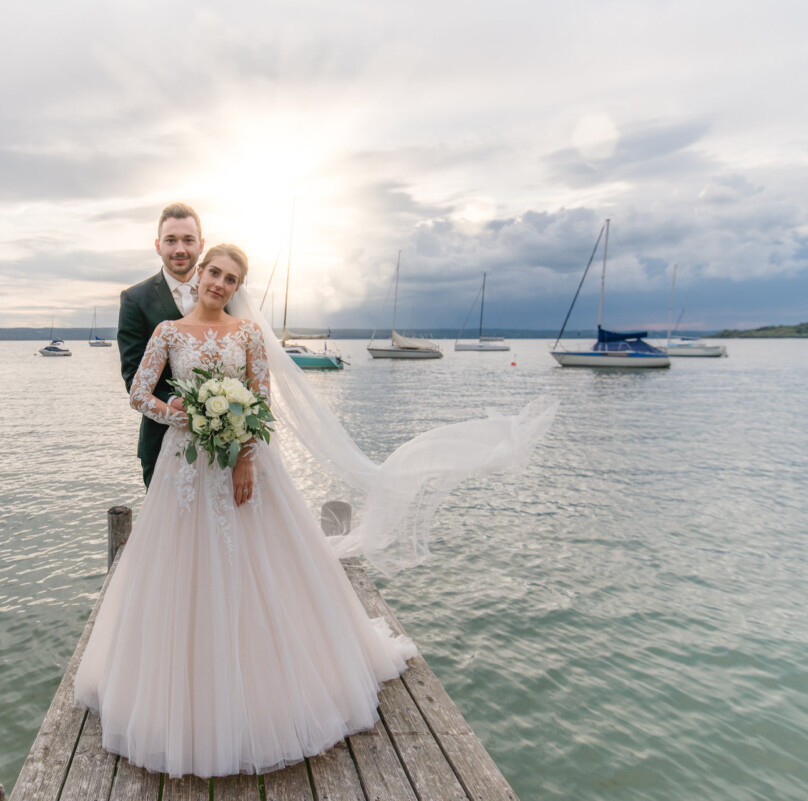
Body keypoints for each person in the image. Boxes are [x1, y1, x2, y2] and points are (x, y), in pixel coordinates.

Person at [77, 244, 556, 778]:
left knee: (260, 568)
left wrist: (245, 460)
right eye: (213, 272)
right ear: (202, 274)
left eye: (230, 279)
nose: (218, 283)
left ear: (238, 288)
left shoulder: (250, 335)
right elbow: (139, 393)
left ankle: (269, 687)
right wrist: (177, 410)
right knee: (180, 570)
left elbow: (260, 401)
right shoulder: (167, 332)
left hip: (238, 462)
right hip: (185, 469)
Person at [117, 202, 205, 488]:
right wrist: (173, 403)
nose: (180, 248)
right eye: (171, 240)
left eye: (188, 240)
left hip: (227, 442)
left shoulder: (223, 290)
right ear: (158, 245)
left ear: (201, 244)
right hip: (161, 441)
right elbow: (133, 375)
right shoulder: (135, 300)